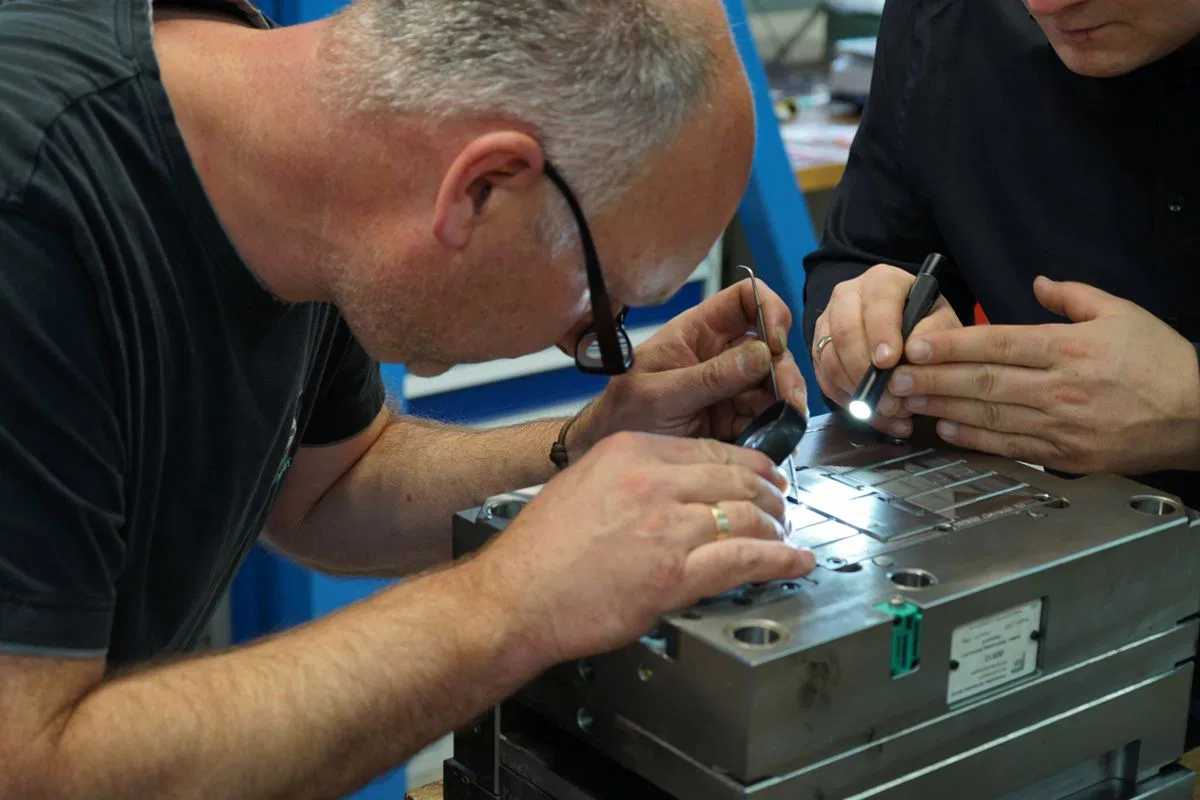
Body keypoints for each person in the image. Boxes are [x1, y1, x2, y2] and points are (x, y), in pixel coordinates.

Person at [0, 0, 816, 795]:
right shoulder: (30, 213)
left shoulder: (309, 157)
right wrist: (511, 603)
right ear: (482, 188)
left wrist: (585, 448)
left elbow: (326, 487)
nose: (595, 337)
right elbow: (28, 768)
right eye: (606, 304)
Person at [803, 0, 1200, 510]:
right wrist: (857, 330)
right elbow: (864, 256)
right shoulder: (946, 20)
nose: (1043, 5)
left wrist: (1191, 408)